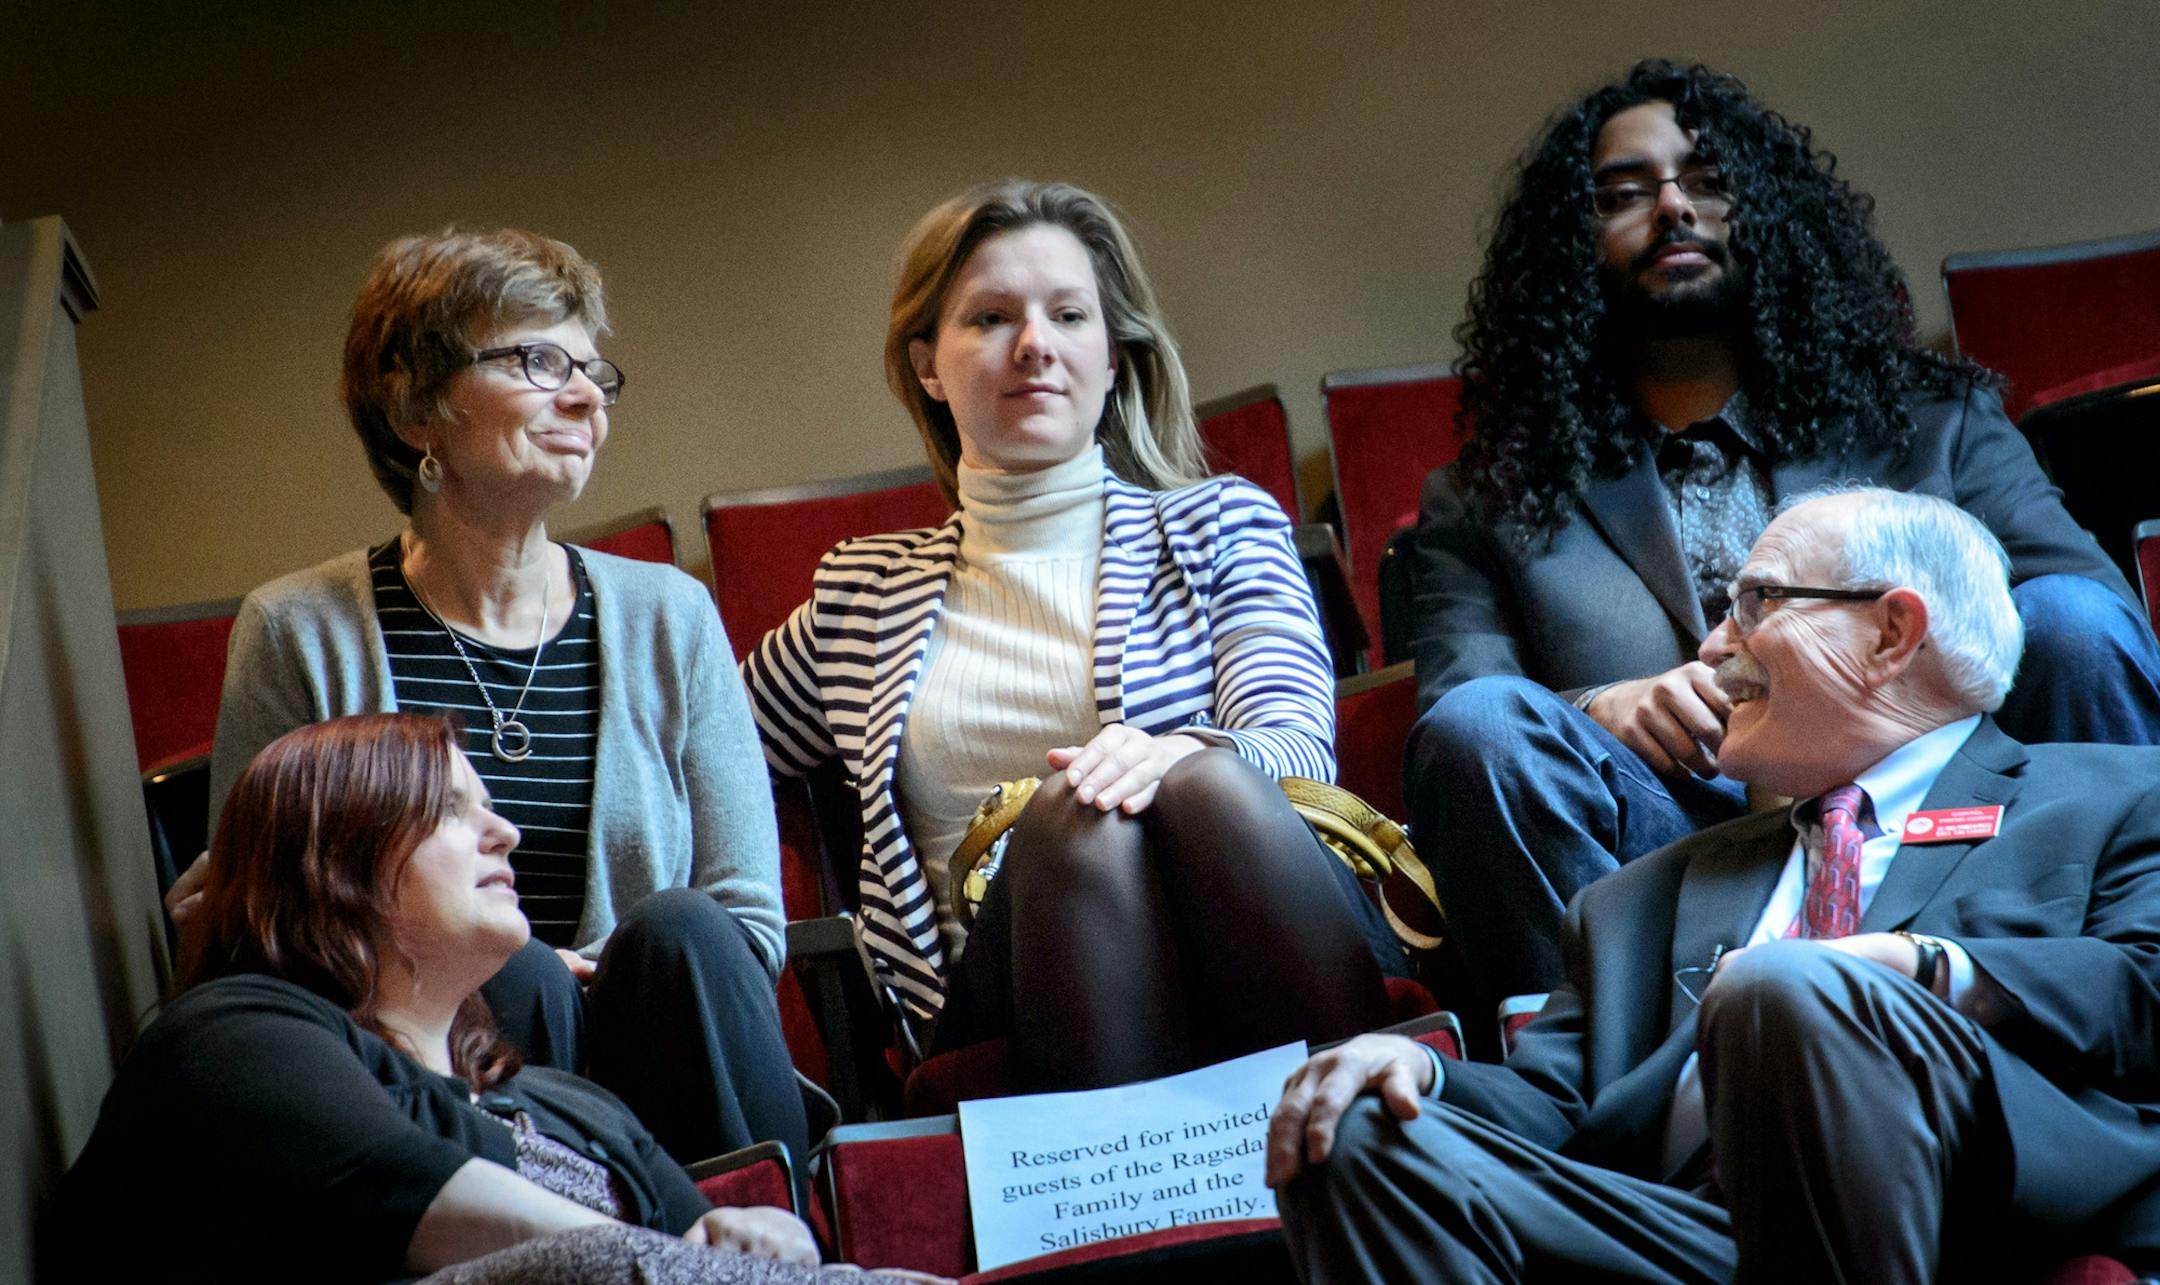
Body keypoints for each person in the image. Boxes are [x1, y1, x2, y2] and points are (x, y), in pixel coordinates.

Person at [1405, 59, 2160, 1015]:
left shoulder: (1930, 419)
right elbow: (1460, 701)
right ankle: (1605, 1090)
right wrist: (1604, 704)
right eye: (1623, 195)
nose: (1674, 208)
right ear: (1568, 250)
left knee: (2072, 618)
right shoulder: (1485, 499)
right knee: (1477, 731)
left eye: (1707, 180)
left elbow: (2086, 619)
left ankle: (2126, 990)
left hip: (1946, 826)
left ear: (1766, 210)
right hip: (1673, 853)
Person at [1268, 486, 2160, 1282]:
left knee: (1788, 986)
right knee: (1352, 1136)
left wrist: (1917, 969)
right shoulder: (1635, 897)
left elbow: (2142, 987)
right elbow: (1551, 1106)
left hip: (1964, 1209)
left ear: (1893, 631)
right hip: (1684, 1232)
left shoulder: (2113, 796)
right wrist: (1420, 1065)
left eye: (1758, 602)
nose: (1710, 644)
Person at [741, 179, 1398, 1093]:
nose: (1036, 346)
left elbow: (1295, 749)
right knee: (1070, 811)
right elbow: (703, 748)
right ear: (928, 364)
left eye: (1069, 314)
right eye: (991, 317)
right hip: (1008, 986)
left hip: (1248, 917)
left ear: (1115, 353)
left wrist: (1167, 757)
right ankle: (1155, 1205)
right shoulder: (862, 598)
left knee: (1192, 779)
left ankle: (1370, 1147)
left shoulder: (1222, 525)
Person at [170, 228, 804, 1164]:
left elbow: (748, 922)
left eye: (594, 371)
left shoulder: (673, 616)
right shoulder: (297, 631)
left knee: (683, 929)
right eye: (538, 360)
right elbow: (269, 926)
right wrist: (517, 965)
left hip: (675, 1049)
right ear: (417, 408)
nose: (585, 395)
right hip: (433, 1080)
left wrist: (600, 975)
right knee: (514, 973)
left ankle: (767, 1244)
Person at [48, 714, 914, 1284]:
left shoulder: (567, 1102)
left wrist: (773, 1241)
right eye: (453, 810)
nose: (506, 832)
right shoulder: (230, 1034)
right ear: (335, 859)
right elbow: (424, 1199)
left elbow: (725, 1253)